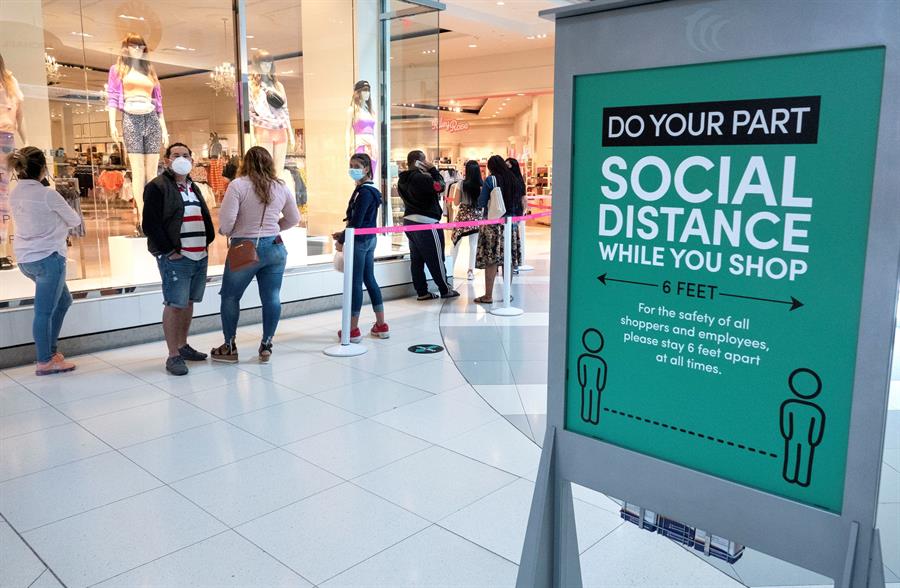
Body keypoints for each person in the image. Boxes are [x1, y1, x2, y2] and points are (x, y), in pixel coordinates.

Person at [211, 146, 300, 363]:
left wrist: (229, 232)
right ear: (270, 163)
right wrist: (273, 228)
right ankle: (266, 344)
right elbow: (294, 218)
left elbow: (227, 223)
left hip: (244, 248)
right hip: (275, 247)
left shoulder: (237, 185)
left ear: (245, 163)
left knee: (230, 296)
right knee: (272, 297)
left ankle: (229, 347)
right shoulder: (281, 186)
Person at [142, 143, 215, 376]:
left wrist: (206, 243)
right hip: (176, 257)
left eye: (185, 155)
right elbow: (150, 224)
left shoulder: (194, 187)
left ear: (192, 160)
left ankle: (183, 346)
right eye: (176, 155)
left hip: (199, 255)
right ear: (166, 160)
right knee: (175, 304)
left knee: (189, 302)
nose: (181, 158)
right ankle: (173, 355)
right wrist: (169, 251)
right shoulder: (157, 186)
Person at [9, 147, 82, 375]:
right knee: (44, 311)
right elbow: (74, 220)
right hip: (48, 258)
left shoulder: (15, 192)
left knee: (63, 301)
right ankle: (44, 360)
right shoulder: (47, 194)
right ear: (43, 168)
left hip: (25, 259)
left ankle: (50, 352)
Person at [332, 153, 389, 343]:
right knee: (369, 279)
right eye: (351, 165)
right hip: (369, 238)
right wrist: (343, 233)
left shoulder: (364, 192)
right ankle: (381, 325)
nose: (353, 169)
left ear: (366, 169)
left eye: (357, 166)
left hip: (359, 240)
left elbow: (356, 221)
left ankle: (352, 329)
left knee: (355, 282)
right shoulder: (370, 190)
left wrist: (342, 239)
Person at [397, 150, 458, 300]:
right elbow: (441, 187)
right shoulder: (422, 178)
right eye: (424, 160)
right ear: (419, 162)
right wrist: (433, 170)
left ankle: (422, 292)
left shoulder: (402, 180)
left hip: (409, 221)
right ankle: (445, 289)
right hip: (426, 222)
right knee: (436, 258)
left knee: (416, 259)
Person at [474, 155, 522, 303]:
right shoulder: (515, 180)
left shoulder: (491, 180)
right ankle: (507, 294)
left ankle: (488, 296)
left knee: (491, 260)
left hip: (493, 225)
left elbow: (481, 202)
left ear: (491, 167)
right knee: (508, 260)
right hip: (511, 225)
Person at [449, 160, 483, 281]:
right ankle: (470, 271)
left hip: (463, 216)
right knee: (473, 245)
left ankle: (450, 269)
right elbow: (483, 203)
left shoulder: (461, 184)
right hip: (477, 216)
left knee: (456, 242)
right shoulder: (482, 185)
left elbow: (456, 202)